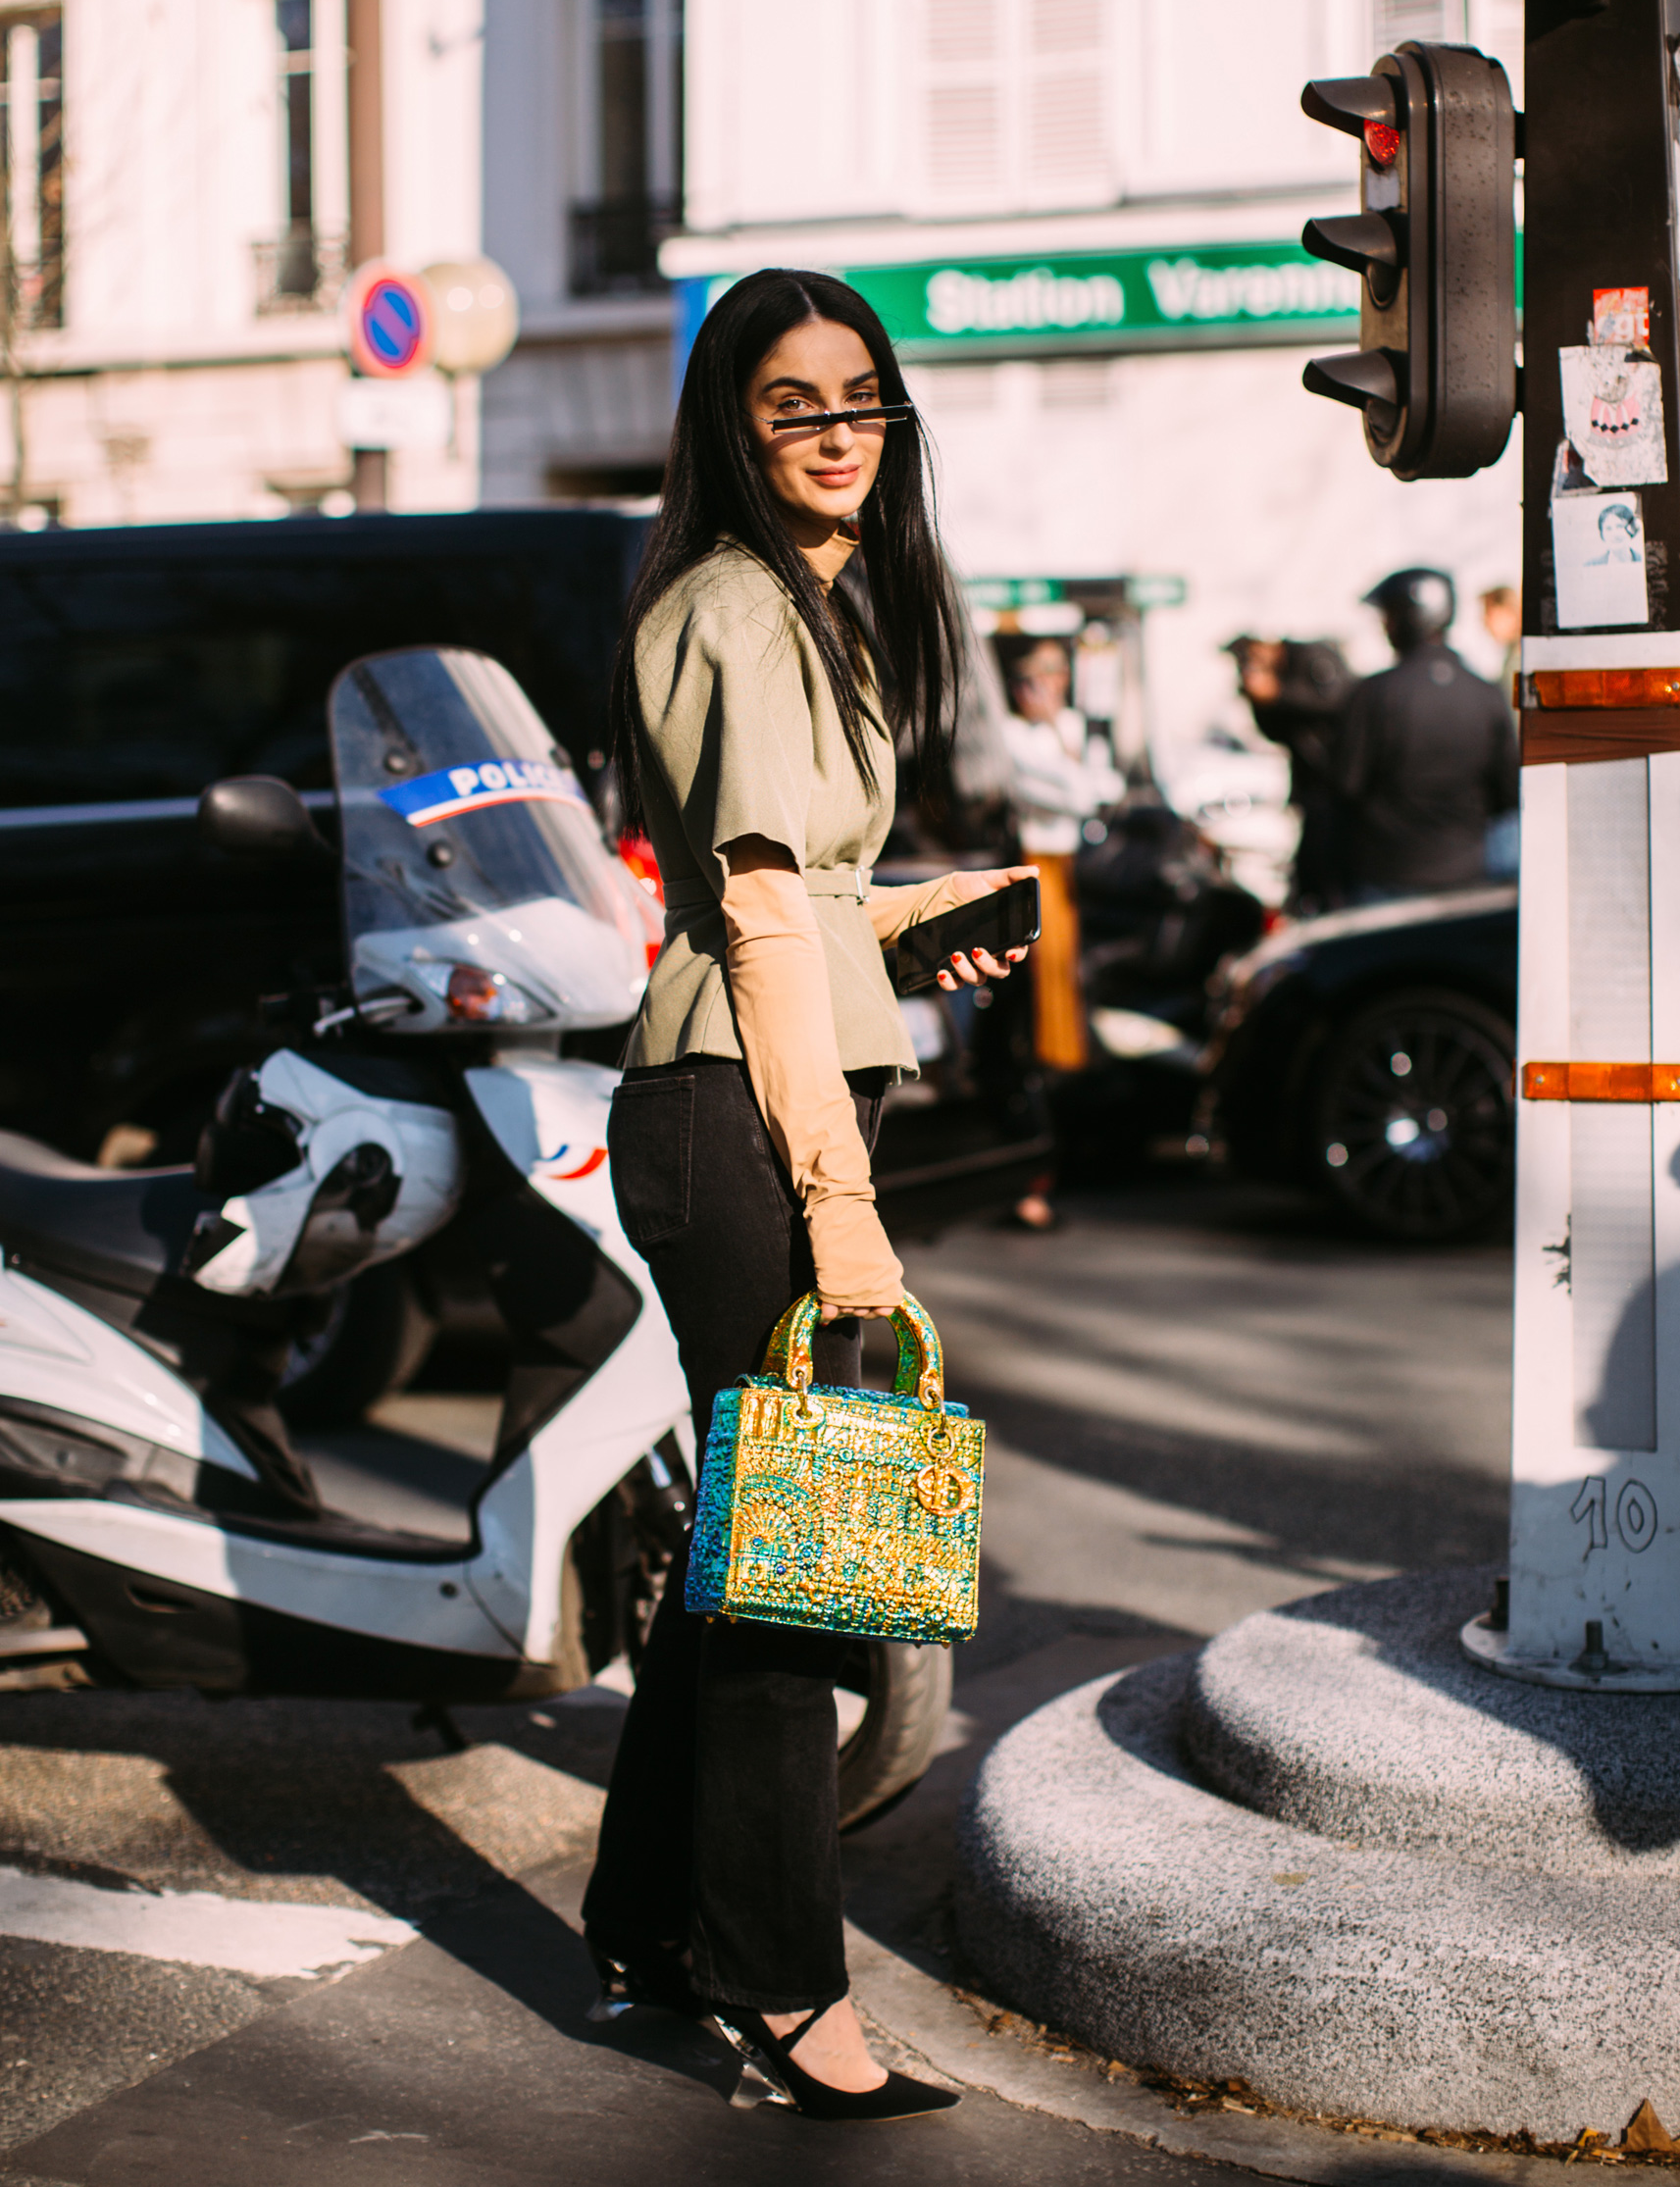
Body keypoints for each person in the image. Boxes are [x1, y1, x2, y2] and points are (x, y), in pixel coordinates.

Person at [583, 268, 1034, 2124]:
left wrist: (923, 921)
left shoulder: (814, 610)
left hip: (756, 1093)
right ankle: (784, 1989)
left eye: (863, 396)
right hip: (737, 1121)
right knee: (794, 1569)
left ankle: (653, 1925)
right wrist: (844, 1216)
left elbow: (803, 902)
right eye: (793, 401)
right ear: (730, 425)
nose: (838, 426)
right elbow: (757, 923)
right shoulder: (735, 612)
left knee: (745, 1553)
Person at [997, 632, 1122, 1226]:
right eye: (1029, 680)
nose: (1039, 691)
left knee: (1071, 1008)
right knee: (1043, 1014)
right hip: (1037, 869)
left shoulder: (1069, 729)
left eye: (1049, 678)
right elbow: (1078, 793)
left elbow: (1103, 791)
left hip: (1076, 878)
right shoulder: (1015, 735)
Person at [1331, 568, 1518, 903]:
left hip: (1387, 878)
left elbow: (1345, 788)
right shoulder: (1485, 693)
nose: (1384, 627)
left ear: (1410, 617)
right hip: (1469, 878)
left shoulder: (1374, 694)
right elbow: (1508, 792)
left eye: (1388, 616)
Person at [1227, 634, 1352, 912]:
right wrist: (1259, 701)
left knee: (1328, 864)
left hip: (1334, 783)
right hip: (1310, 785)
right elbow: (1276, 734)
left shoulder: (1312, 658)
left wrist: (1278, 693)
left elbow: (1335, 701)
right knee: (1309, 864)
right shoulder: (1281, 676)